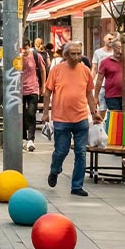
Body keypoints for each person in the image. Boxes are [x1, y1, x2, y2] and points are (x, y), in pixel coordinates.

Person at [41, 41, 98, 197]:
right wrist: (46, 113)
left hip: (81, 118)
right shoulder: (57, 70)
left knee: (81, 152)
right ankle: (55, 170)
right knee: (61, 151)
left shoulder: (85, 71)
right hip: (61, 118)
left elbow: (89, 94)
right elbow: (47, 93)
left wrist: (94, 112)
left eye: (79, 53)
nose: (77, 56)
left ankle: (76, 186)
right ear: (65, 55)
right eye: (73, 54)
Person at [94, 36, 125, 112]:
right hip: (112, 96)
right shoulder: (105, 62)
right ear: (114, 48)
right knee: (116, 118)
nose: (121, 49)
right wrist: (96, 97)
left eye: (122, 47)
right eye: (119, 47)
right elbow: (99, 80)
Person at [22, 38, 47, 152]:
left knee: (32, 113)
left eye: (26, 48)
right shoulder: (16, 57)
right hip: (19, 90)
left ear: (30, 46)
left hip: (33, 88)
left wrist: (43, 86)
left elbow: (42, 70)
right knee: (21, 114)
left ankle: (31, 139)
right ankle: (23, 138)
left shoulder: (36, 56)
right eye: (22, 49)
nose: (24, 51)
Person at [90, 32, 115, 111]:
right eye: (109, 39)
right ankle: (101, 123)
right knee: (102, 108)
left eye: (113, 39)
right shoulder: (98, 52)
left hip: (113, 85)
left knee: (113, 110)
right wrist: (90, 83)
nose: (111, 41)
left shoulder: (116, 52)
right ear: (104, 40)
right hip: (102, 85)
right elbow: (94, 69)